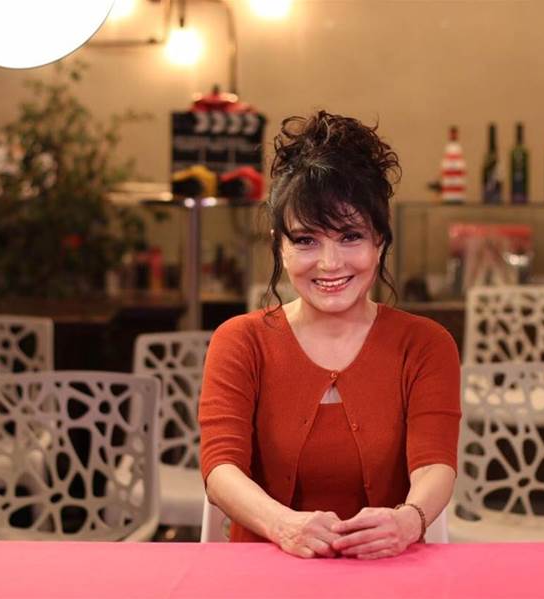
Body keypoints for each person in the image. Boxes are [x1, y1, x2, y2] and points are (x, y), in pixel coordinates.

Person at [199, 111, 461, 560]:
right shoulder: (240, 341)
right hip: (262, 571)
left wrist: (408, 520)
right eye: (306, 240)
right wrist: (281, 525)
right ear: (279, 244)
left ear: (380, 241)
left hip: (388, 571)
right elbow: (221, 467)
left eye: (350, 236)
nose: (329, 263)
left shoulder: (425, 345)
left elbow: (435, 463)